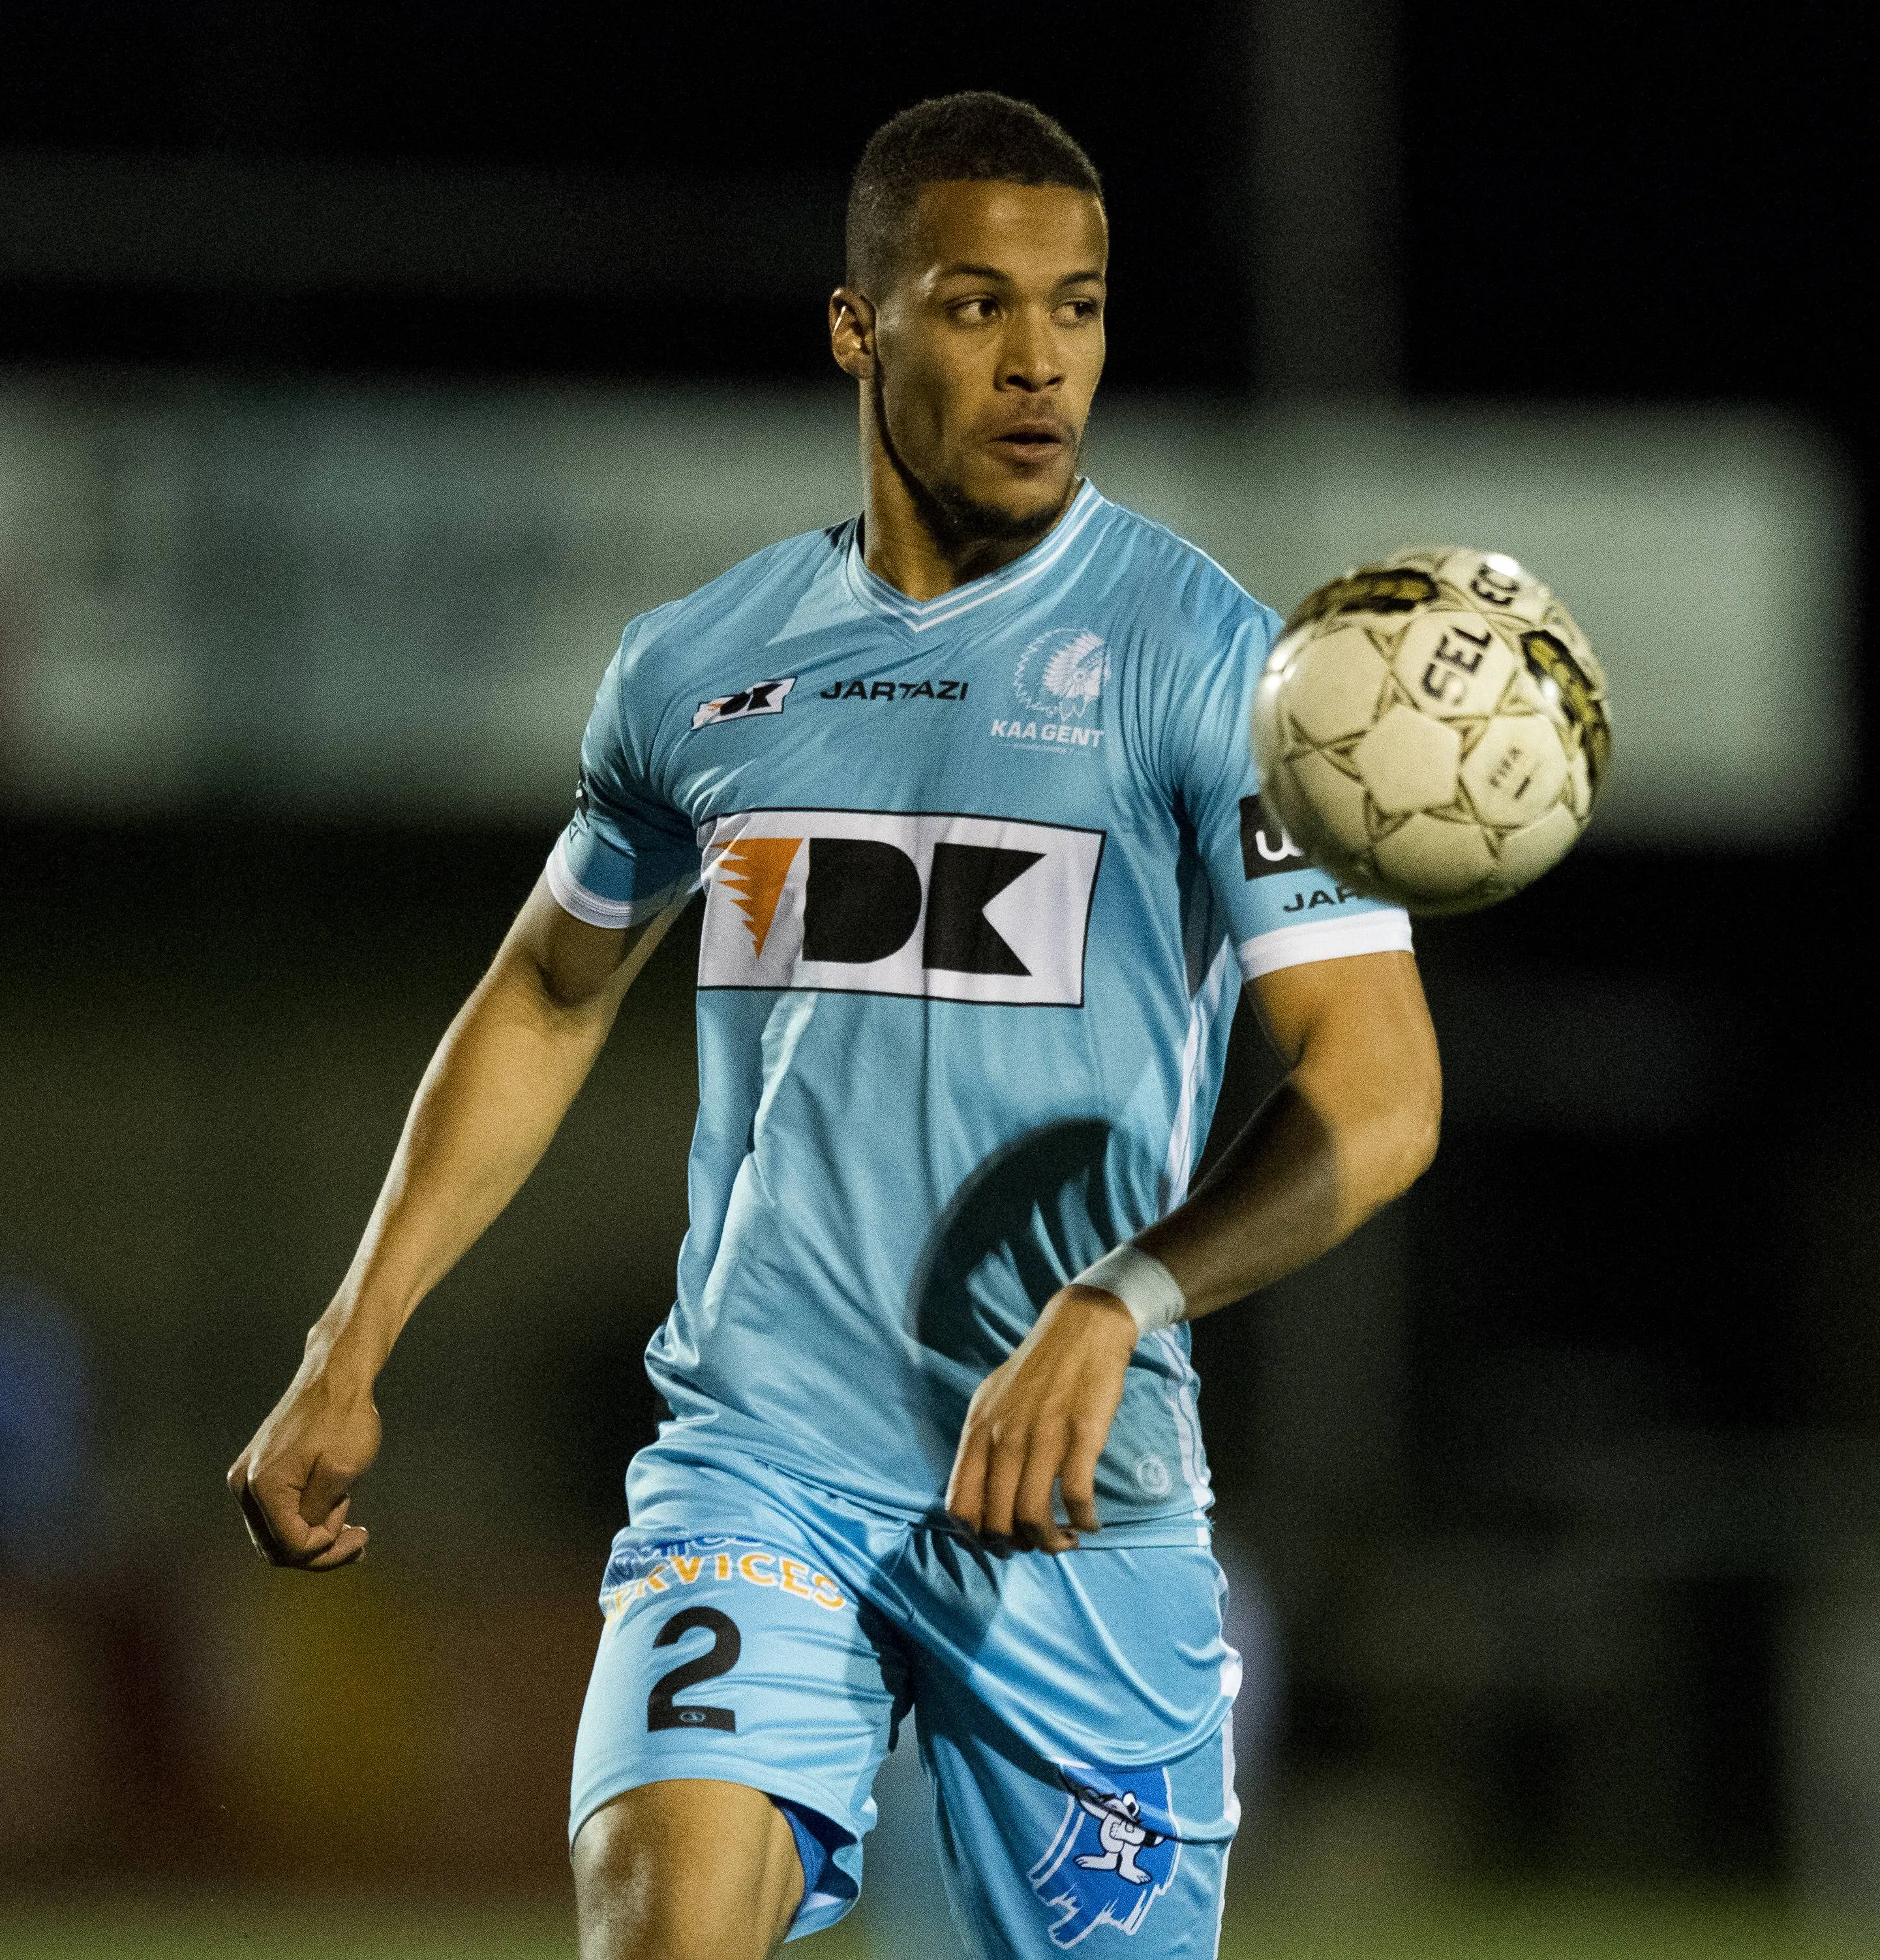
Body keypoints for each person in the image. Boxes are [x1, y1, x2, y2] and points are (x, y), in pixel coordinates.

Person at [226, 91, 1440, 1960]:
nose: (1042, 361)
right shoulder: (703, 667)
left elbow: (1381, 1089)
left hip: (1073, 1512)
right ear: (856, 327)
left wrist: (1125, 1297)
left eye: (1083, 305)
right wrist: (349, 1338)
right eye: (975, 305)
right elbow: (552, 985)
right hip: (760, 1461)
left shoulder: (1211, 663)